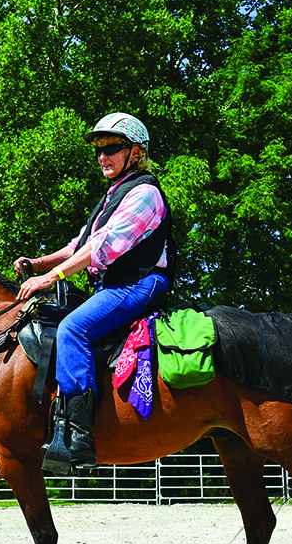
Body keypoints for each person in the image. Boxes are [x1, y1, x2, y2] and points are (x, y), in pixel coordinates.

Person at [14, 113, 175, 474]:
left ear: (136, 152)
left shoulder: (145, 193)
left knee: (73, 328)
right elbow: (79, 244)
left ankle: (79, 435)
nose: (103, 156)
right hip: (115, 285)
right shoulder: (114, 195)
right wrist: (39, 262)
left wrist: (49, 277)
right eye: (99, 149)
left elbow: (104, 247)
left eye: (112, 148)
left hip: (139, 283)